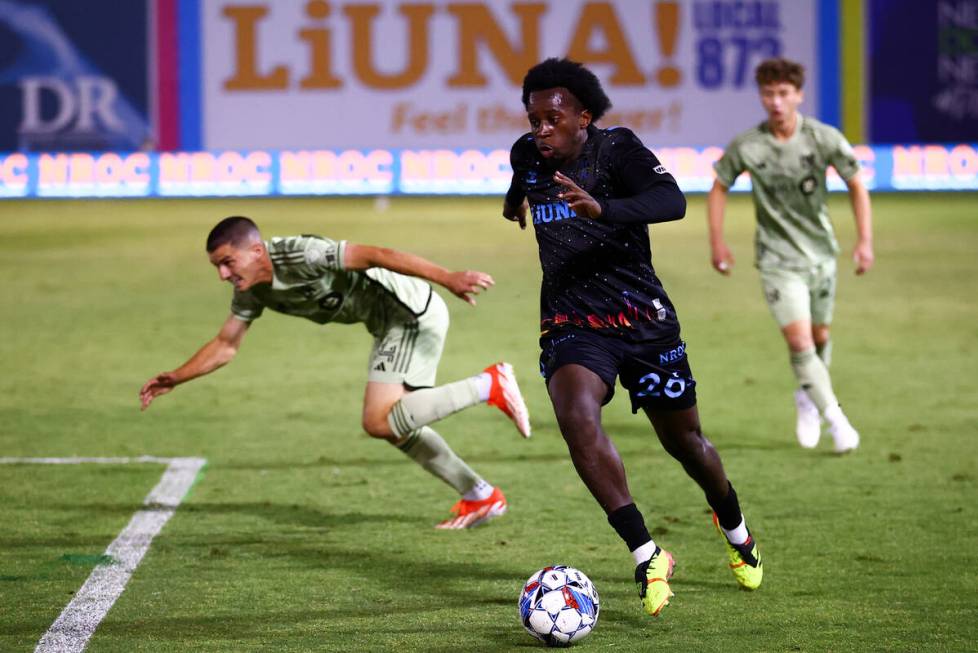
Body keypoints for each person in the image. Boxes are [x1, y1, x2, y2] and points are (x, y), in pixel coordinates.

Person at [501, 58, 763, 618]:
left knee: (686, 444)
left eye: (553, 118)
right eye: (533, 119)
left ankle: (736, 529)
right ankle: (647, 554)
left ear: (584, 117)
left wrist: (605, 208)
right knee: (575, 414)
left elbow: (673, 203)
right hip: (572, 322)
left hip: (642, 320)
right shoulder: (527, 155)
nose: (541, 130)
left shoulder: (618, 149)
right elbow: (520, 182)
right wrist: (514, 204)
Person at [139, 216, 532, 529]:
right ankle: (480, 494)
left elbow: (377, 253)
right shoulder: (250, 289)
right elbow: (226, 345)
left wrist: (448, 277)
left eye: (228, 262)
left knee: (380, 421)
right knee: (392, 425)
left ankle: (490, 384)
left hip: (410, 313)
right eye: (217, 266)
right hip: (386, 324)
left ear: (257, 250)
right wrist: (176, 376)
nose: (223, 275)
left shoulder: (302, 255)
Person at [707, 57, 873, 453]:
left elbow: (856, 183)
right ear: (761, 96)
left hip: (820, 254)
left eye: (784, 93)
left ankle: (807, 396)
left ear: (798, 95)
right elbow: (718, 186)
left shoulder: (822, 138)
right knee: (800, 342)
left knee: (820, 337)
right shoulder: (749, 145)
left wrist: (864, 240)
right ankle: (837, 420)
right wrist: (717, 240)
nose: (776, 101)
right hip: (776, 260)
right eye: (768, 93)